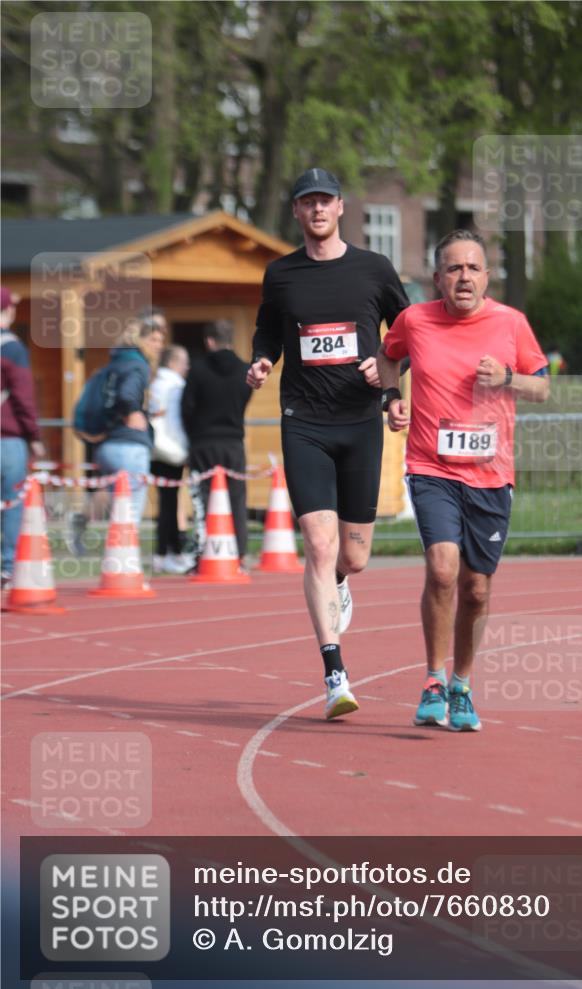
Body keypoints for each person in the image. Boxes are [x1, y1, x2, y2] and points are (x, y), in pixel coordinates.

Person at [247, 167, 410, 720]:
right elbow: (268, 329)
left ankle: (339, 580)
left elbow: (407, 335)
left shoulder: (374, 269)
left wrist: (386, 373)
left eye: (325, 201)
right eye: (306, 202)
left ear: (341, 207)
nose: (316, 210)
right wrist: (263, 359)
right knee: (316, 544)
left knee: (353, 557)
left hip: (358, 420)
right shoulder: (281, 274)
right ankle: (334, 672)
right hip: (304, 421)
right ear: (296, 212)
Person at [377, 230, 549, 732]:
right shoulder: (415, 320)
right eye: (454, 269)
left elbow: (542, 387)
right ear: (437, 279)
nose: (464, 277)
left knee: (476, 587)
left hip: (491, 474)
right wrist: (391, 398)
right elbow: (388, 355)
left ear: (487, 277)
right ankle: (433, 679)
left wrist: (509, 379)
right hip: (432, 466)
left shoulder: (511, 324)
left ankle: (462, 687)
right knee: (443, 567)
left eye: (473, 268)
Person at [181, 320, 252, 570]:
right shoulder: (245, 370)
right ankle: (239, 554)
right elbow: (244, 399)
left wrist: (193, 435)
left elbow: (186, 408)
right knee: (236, 499)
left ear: (209, 341)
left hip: (203, 442)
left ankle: (204, 556)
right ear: (230, 340)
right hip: (233, 441)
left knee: (203, 501)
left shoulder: (198, 370)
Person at [95, 317, 164, 525]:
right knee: (129, 518)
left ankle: (112, 555)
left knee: (118, 516)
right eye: (153, 339)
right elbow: (126, 395)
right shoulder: (138, 364)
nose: (159, 345)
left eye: (161, 340)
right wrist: (133, 413)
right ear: (140, 340)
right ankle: (124, 558)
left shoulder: (117, 362)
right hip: (129, 447)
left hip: (107, 444)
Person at [1, 286, 46, 587]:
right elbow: (22, 395)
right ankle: (7, 567)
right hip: (7, 438)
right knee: (12, 503)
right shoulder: (13, 348)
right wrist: (34, 435)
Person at [149, 344, 192, 574]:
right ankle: (167, 553)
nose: (187, 367)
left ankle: (167, 552)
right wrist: (185, 448)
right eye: (184, 361)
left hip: (156, 449)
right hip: (169, 450)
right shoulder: (175, 386)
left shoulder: (156, 384)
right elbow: (175, 422)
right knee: (169, 502)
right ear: (173, 363)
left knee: (167, 501)